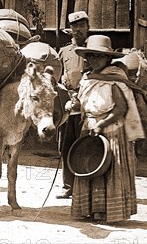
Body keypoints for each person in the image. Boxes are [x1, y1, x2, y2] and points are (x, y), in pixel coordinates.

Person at [70, 35, 143, 223]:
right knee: (88, 166)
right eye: (91, 56)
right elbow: (82, 104)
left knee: (109, 168)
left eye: (99, 56)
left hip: (111, 130)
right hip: (89, 128)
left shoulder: (115, 79)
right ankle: (89, 208)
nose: (94, 60)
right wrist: (73, 105)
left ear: (108, 59)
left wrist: (101, 125)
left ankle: (106, 211)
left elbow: (121, 108)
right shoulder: (86, 79)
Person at [56, 11, 90, 199]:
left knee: (84, 145)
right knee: (65, 145)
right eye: (74, 26)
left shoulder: (93, 49)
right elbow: (58, 76)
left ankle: (83, 185)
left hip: (87, 104)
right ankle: (68, 185)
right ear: (70, 29)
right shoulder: (64, 51)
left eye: (82, 25)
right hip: (67, 105)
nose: (78, 29)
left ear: (88, 27)